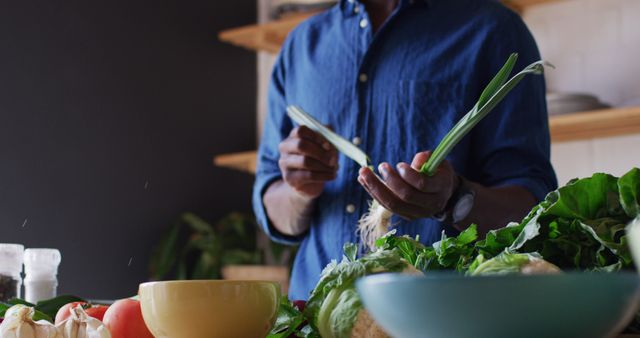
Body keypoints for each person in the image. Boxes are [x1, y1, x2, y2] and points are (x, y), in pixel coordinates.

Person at [252, 0, 557, 300]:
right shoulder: (300, 45)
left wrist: (454, 199)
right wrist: (299, 191)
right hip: (314, 319)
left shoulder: (493, 29)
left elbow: (532, 211)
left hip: (443, 318)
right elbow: (272, 208)